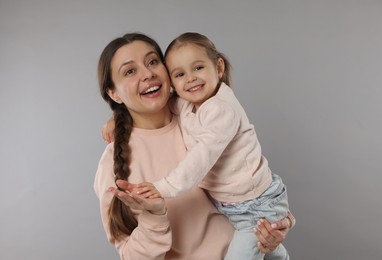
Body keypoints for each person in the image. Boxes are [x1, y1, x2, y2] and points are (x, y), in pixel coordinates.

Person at [95, 32, 295, 260]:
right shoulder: (114, 162)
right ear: (113, 93)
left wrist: (277, 226)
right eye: (130, 71)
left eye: (152, 62)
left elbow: (249, 178)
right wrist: (154, 216)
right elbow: (132, 256)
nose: (148, 73)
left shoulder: (200, 113)